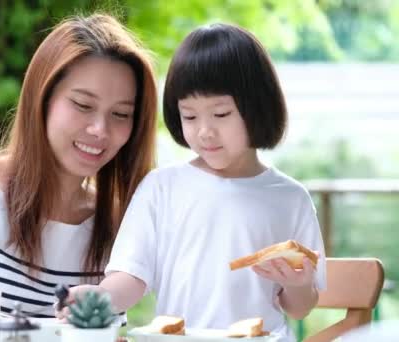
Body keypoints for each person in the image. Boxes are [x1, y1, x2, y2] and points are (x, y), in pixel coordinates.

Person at [59, 23, 326, 341]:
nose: (204, 131)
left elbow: (299, 308)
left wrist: (298, 285)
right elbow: (131, 276)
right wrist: (100, 299)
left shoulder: (289, 198)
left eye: (221, 114)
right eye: (190, 116)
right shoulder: (162, 187)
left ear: (257, 107)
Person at [0, 13, 158, 318]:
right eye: (83, 105)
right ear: (41, 99)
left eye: (121, 114)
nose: (100, 129)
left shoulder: (115, 223)